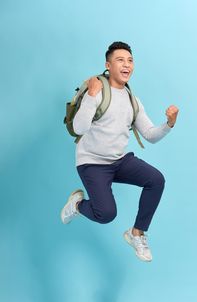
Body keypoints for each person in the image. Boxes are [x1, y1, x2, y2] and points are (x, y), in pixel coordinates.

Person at [61, 41, 179, 262]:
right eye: (120, 60)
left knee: (156, 180)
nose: (127, 65)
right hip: (92, 163)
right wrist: (90, 96)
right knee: (106, 214)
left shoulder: (133, 100)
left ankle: (137, 234)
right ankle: (77, 205)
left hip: (118, 161)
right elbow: (79, 128)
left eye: (130, 60)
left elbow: (151, 135)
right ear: (108, 64)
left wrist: (169, 124)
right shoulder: (96, 91)